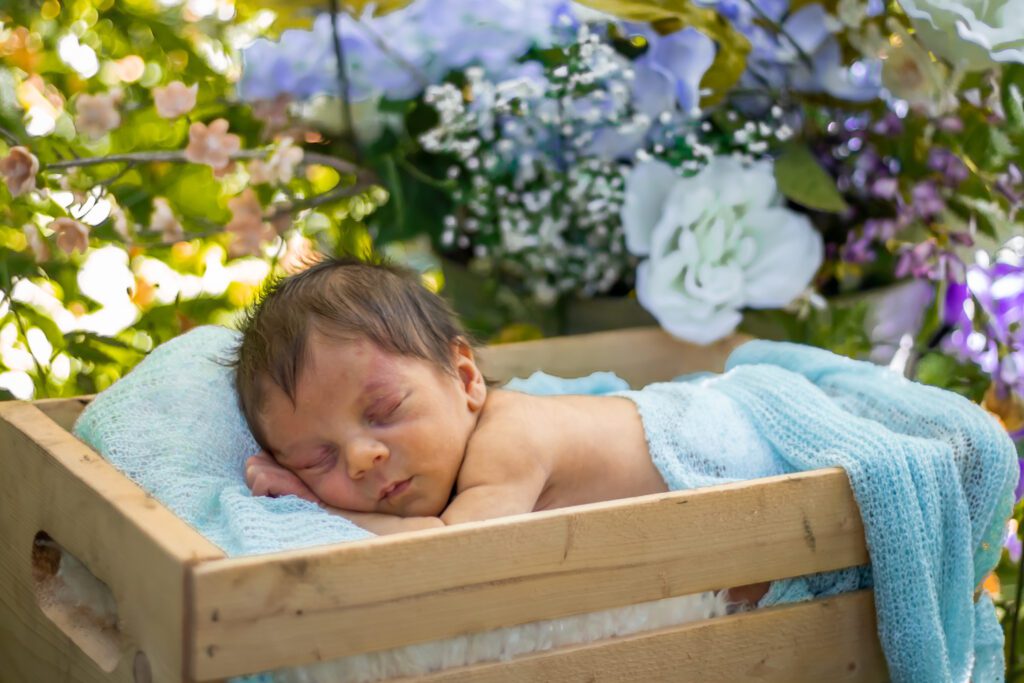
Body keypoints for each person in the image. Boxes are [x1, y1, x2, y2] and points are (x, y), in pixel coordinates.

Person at [234, 256, 768, 603]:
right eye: (316, 460)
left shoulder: (508, 441)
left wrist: (318, 507)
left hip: (749, 447)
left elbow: (456, 553)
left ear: (465, 379)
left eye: (386, 410)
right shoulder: (454, 465)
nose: (360, 457)